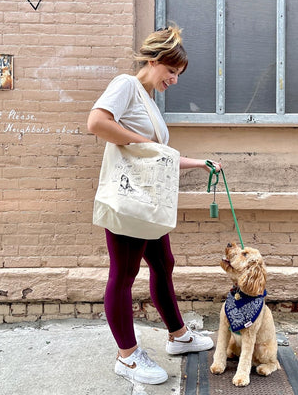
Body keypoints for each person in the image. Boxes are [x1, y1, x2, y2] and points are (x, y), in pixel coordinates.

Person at [87, 25, 222, 385]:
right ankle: (127, 357)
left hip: (146, 205)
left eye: (178, 74)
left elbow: (157, 155)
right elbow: (97, 122)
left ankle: (178, 337)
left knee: (164, 264)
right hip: (130, 202)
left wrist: (199, 162)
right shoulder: (126, 85)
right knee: (124, 274)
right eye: (172, 71)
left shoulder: (148, 101)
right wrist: (140, 140)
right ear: (153, 60)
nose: (175, 80)